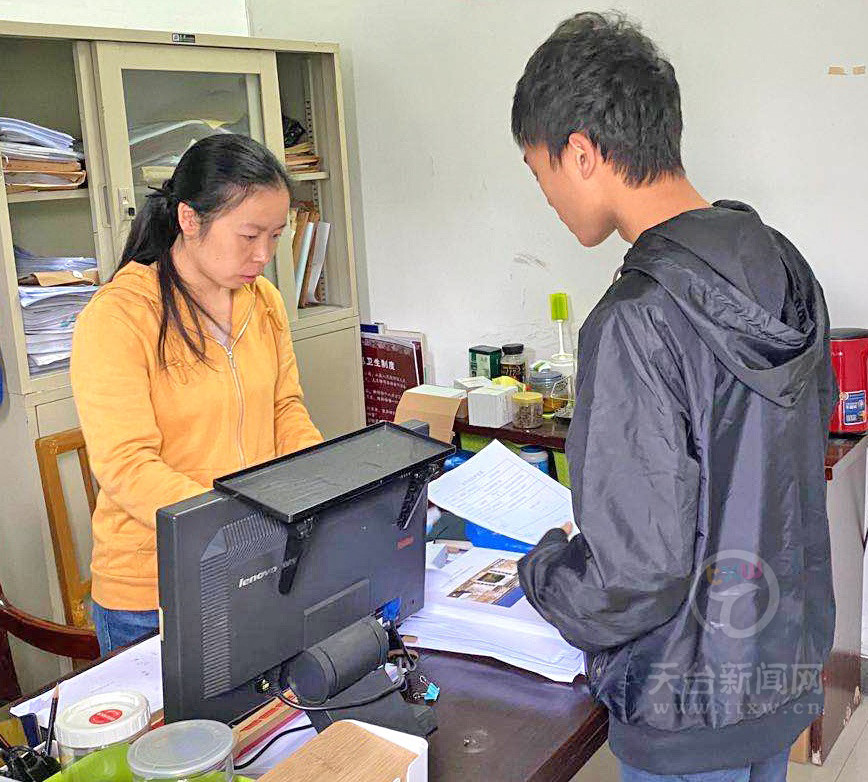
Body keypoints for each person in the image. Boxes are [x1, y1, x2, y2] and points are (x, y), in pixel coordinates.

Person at [511, 13, 836, 782]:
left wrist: (545, 571)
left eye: (540, 171)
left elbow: (638, 572)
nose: (548, 199)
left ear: (582, 153)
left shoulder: (635, 318)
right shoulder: (779, 262)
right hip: (775, 667)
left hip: (685, 695)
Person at [71, 134, 323, 654]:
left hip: (257, 562)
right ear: (189, 219)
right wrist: (238, 522)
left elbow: (285, 409)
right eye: (249, 235)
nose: (264, 255)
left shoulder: (264, 301)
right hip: (153, 591)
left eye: (276, 236)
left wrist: (315, 485)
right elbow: (126, 466)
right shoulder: (120, 317)